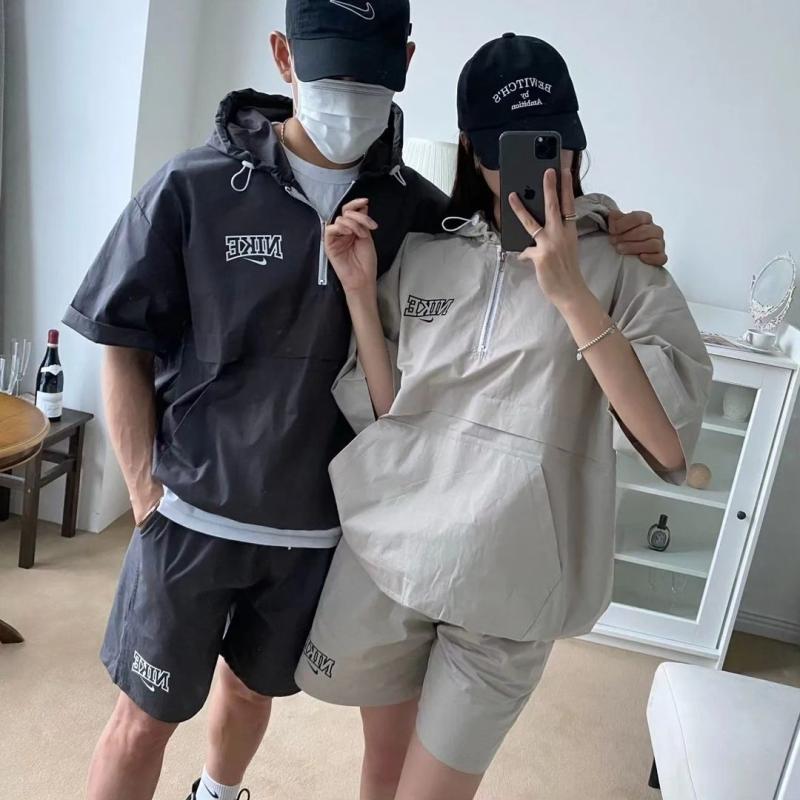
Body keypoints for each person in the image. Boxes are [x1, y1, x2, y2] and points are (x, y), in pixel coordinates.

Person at [64, 1, 666, 797]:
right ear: (284, 56)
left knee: (250, 692)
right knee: (141, 719)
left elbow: (501, 252)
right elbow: (122, 338)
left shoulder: (421, 213)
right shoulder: (192, 186)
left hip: (321, 532)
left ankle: (218, 793)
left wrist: (620, 229)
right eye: (331, 71)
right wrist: (145, 497)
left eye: (372, 74)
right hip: (191, 519)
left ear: (405, 63)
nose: (350, 94)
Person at [295, 33, 713, 800]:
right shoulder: (429, 254)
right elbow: (391, 413)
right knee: (381, 772)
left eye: (549, 146)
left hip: (510, 595)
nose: (535, 171)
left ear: (575, 139)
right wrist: (358, 290)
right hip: (397, 558)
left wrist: (571, 292)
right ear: (473, 152)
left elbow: (668, 447)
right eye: (506, 152)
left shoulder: (627, 269)